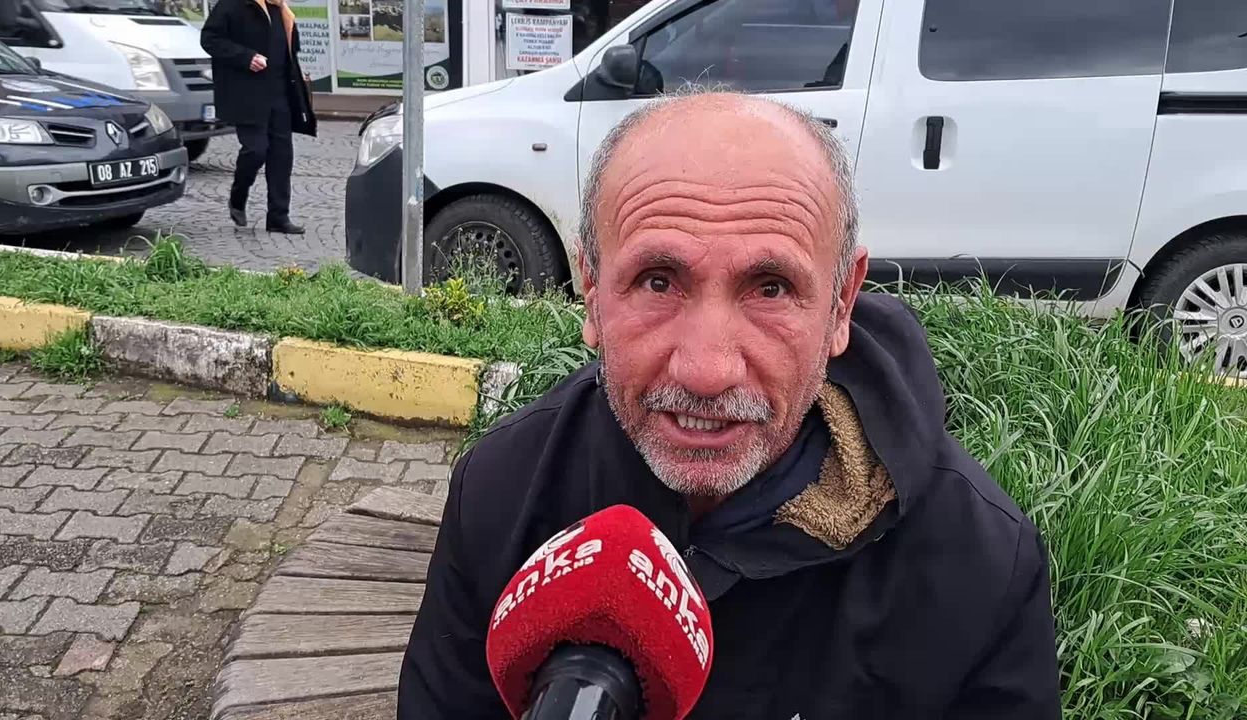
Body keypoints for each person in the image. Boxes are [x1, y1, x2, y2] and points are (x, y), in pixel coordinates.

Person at [398, 89, 1062, 718]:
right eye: (658, 281)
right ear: (593, 292)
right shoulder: (502, 492)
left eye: (770, 288)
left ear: (840, 304)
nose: (707, 371)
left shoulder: (978, 564)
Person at [200, 0, 316, 234]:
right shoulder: (233, 5)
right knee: (256, 150)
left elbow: (289, 49)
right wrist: (246, 57)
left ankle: (278, 217)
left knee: (281, 155)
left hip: (280, 92)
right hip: (247, 93)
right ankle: (238, 195)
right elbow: (210, 39)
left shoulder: (281, 8)